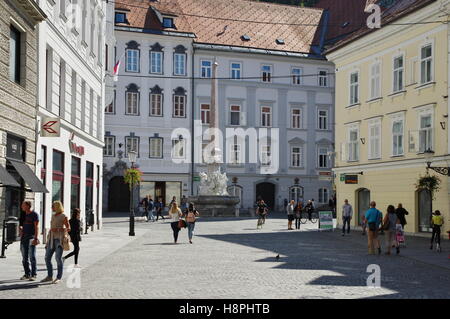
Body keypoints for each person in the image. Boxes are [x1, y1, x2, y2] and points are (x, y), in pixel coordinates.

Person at [41, 201, 70, 284]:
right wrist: (47, 241)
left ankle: (58, 277)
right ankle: (49, 276)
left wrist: (57, 229)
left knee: (58, 258)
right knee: (47, 258)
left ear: (57, 206)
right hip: (51, 239)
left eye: (53, 206)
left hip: (59, 240)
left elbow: (68, 228)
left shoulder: (63, 216)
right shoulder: (53, 215)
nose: (51, 207)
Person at [19, 201, 39, 281]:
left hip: (31, 237)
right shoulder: (23, 214)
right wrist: (20, 229)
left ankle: (34, 274)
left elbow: (36, 227)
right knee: (24, 258)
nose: (21, 206)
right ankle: (27, 274)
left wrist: (36, 238)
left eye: (23, 205)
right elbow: (22, 225)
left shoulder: (34, 214)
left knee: (32, 257)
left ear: (28, 206)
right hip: (23, 238)